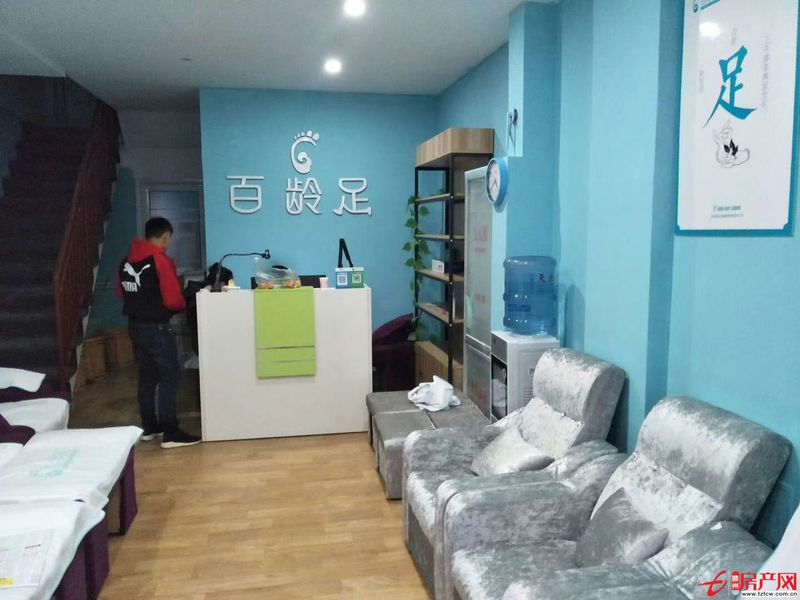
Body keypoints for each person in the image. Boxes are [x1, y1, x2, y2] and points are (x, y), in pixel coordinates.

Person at [116, 217, 201, 448]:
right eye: (170, 238)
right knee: (169, 377)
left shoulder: (126, 261)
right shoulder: (160, 260)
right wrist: (183, 304)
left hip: (135, 327)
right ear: (165, 236)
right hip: (158, 328)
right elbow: (173, 300)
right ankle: (171, 433)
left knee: (147, 377)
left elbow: (121, 292)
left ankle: (150, 428)